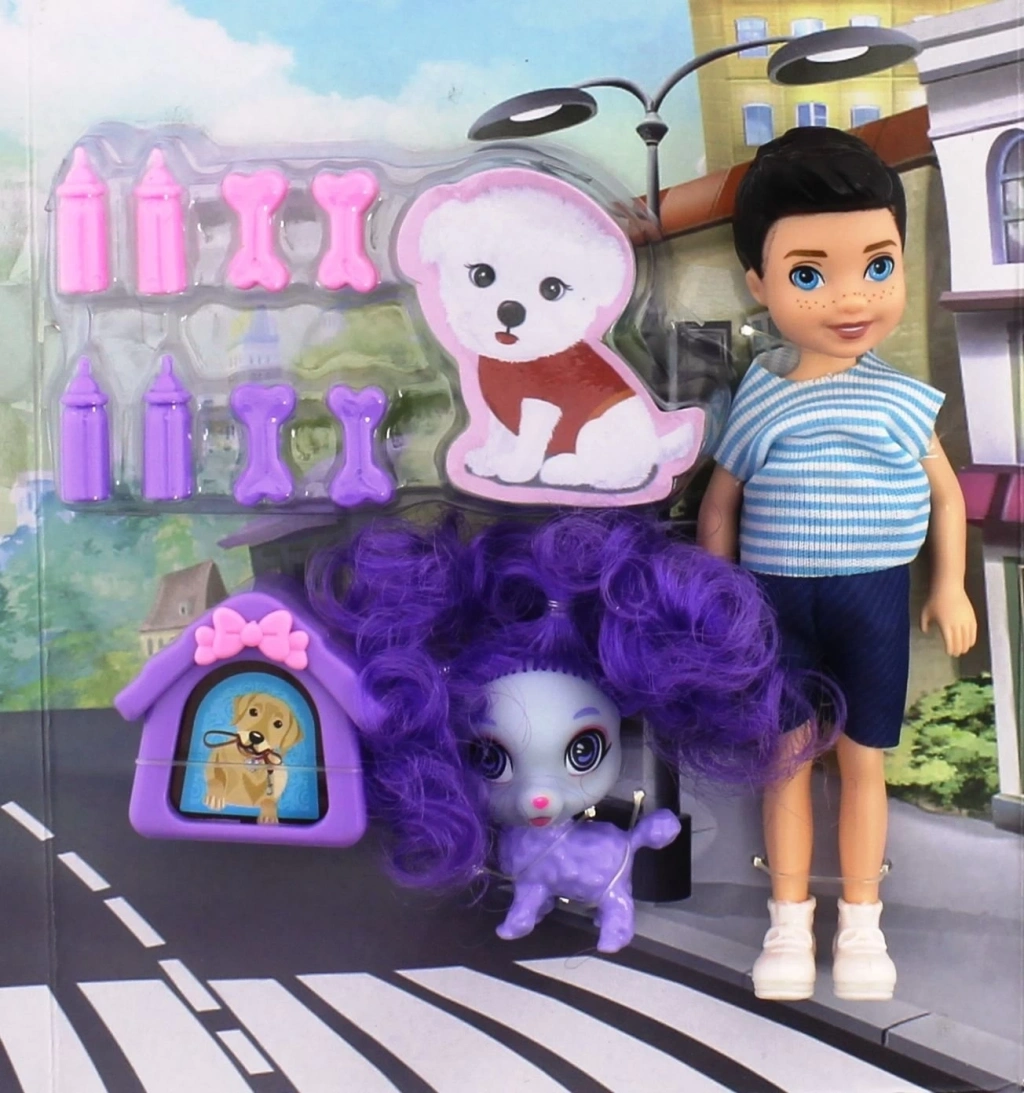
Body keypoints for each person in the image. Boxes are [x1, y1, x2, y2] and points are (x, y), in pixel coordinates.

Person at [697, 126, 977, 1002]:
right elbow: (720, 503)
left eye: (879, 265)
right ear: (760, 283)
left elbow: (947, 496)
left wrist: (949, 584)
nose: (852, 297)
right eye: (810, 275)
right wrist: (720, 598)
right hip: (776, 600)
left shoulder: (901, 399)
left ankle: (862, 921)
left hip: (874, 596)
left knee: (863, 759)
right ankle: (788, 921)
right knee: (783, 757)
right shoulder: (763, 396)